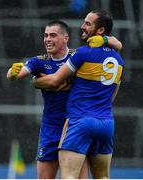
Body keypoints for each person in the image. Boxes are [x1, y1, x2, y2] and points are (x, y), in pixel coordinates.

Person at [32, 9, 124, 179]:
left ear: (101, 29)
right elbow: (113, 93)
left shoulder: (83, 52)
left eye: (88, 23)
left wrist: (35, 82)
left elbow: (54, 81)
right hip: (106, 123)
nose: (82, 26)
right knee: (103, 177)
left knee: (69, 176)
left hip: (80, 120)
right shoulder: (118, 59)